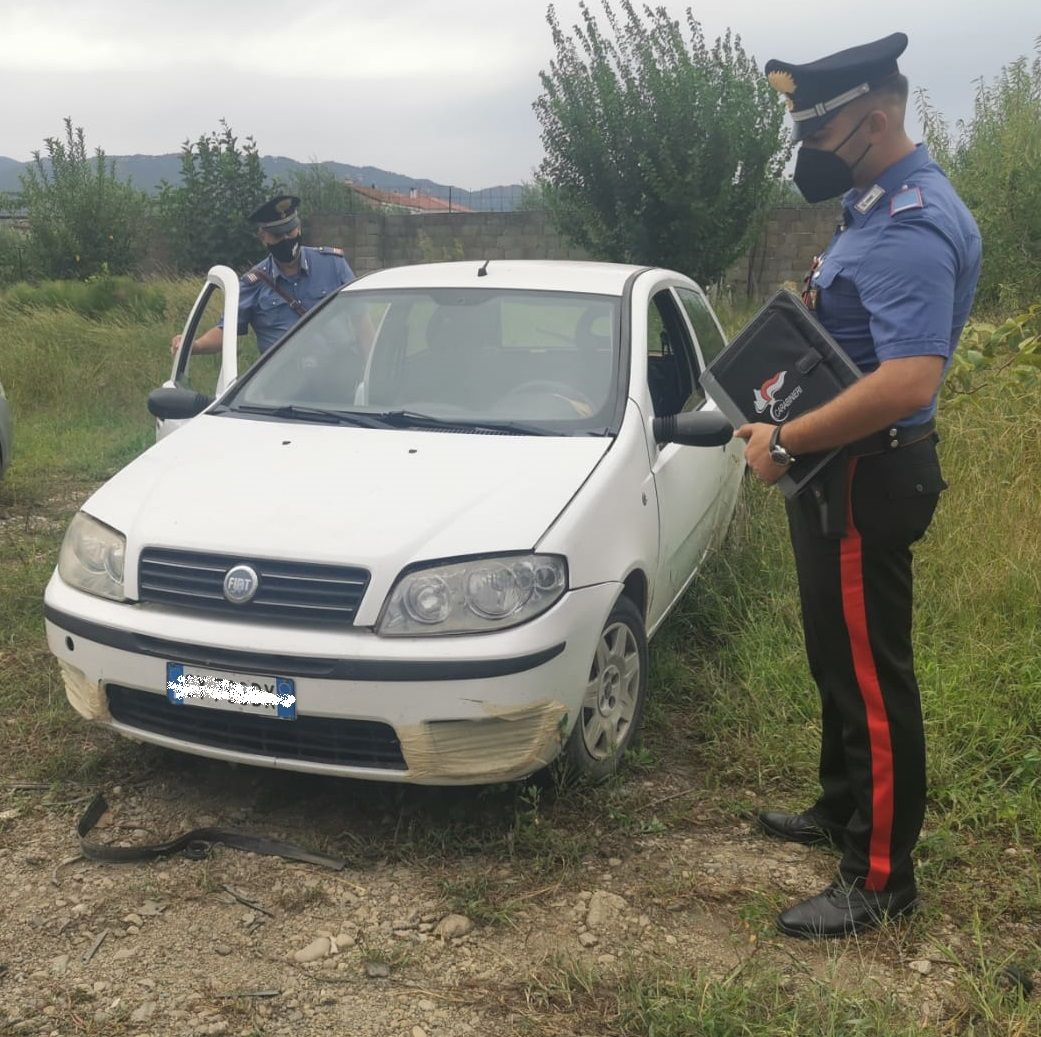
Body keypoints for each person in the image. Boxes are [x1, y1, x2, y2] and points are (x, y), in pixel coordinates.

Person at [735, 33, 981, 939]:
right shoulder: (870, 206)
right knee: (835, 656)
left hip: (866, 476)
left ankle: (879, 878)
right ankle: (842, 807)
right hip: (837, 472)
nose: (807, 150)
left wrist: (785, 439)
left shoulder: (911, 221)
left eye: (820, 130)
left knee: (873, 677)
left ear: (872, 120)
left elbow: (909, 379)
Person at [170, 194, 355, 357]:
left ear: (299, 229)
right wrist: (194, 346)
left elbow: (362, 320)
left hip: (338, 383)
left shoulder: (332, 264)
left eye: (289, 232)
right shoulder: (252, 284)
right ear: (263, 238)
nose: (286, 240)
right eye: (277, 235)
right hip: (283, 388)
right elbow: (226, 331)